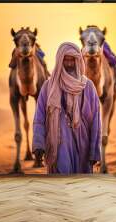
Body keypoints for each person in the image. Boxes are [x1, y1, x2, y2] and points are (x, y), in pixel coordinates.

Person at [32, 42, 101, 174]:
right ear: (59, 61)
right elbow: (39, 117)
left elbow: (96, 121)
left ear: (78, 60)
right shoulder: (48, 87)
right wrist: (39, 144)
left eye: (72, 60)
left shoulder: (88, 86)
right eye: (66, 60)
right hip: (58, 143)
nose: (69, 64)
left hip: (83, 145)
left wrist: (94, 152)